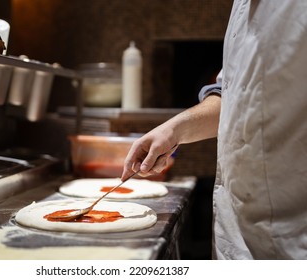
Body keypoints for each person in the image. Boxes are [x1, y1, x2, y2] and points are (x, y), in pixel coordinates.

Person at [121, 0, 307, 259]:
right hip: (237, 228)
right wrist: (174, 130)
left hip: (294, 236)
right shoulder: (241, 6)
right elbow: (233, 94)